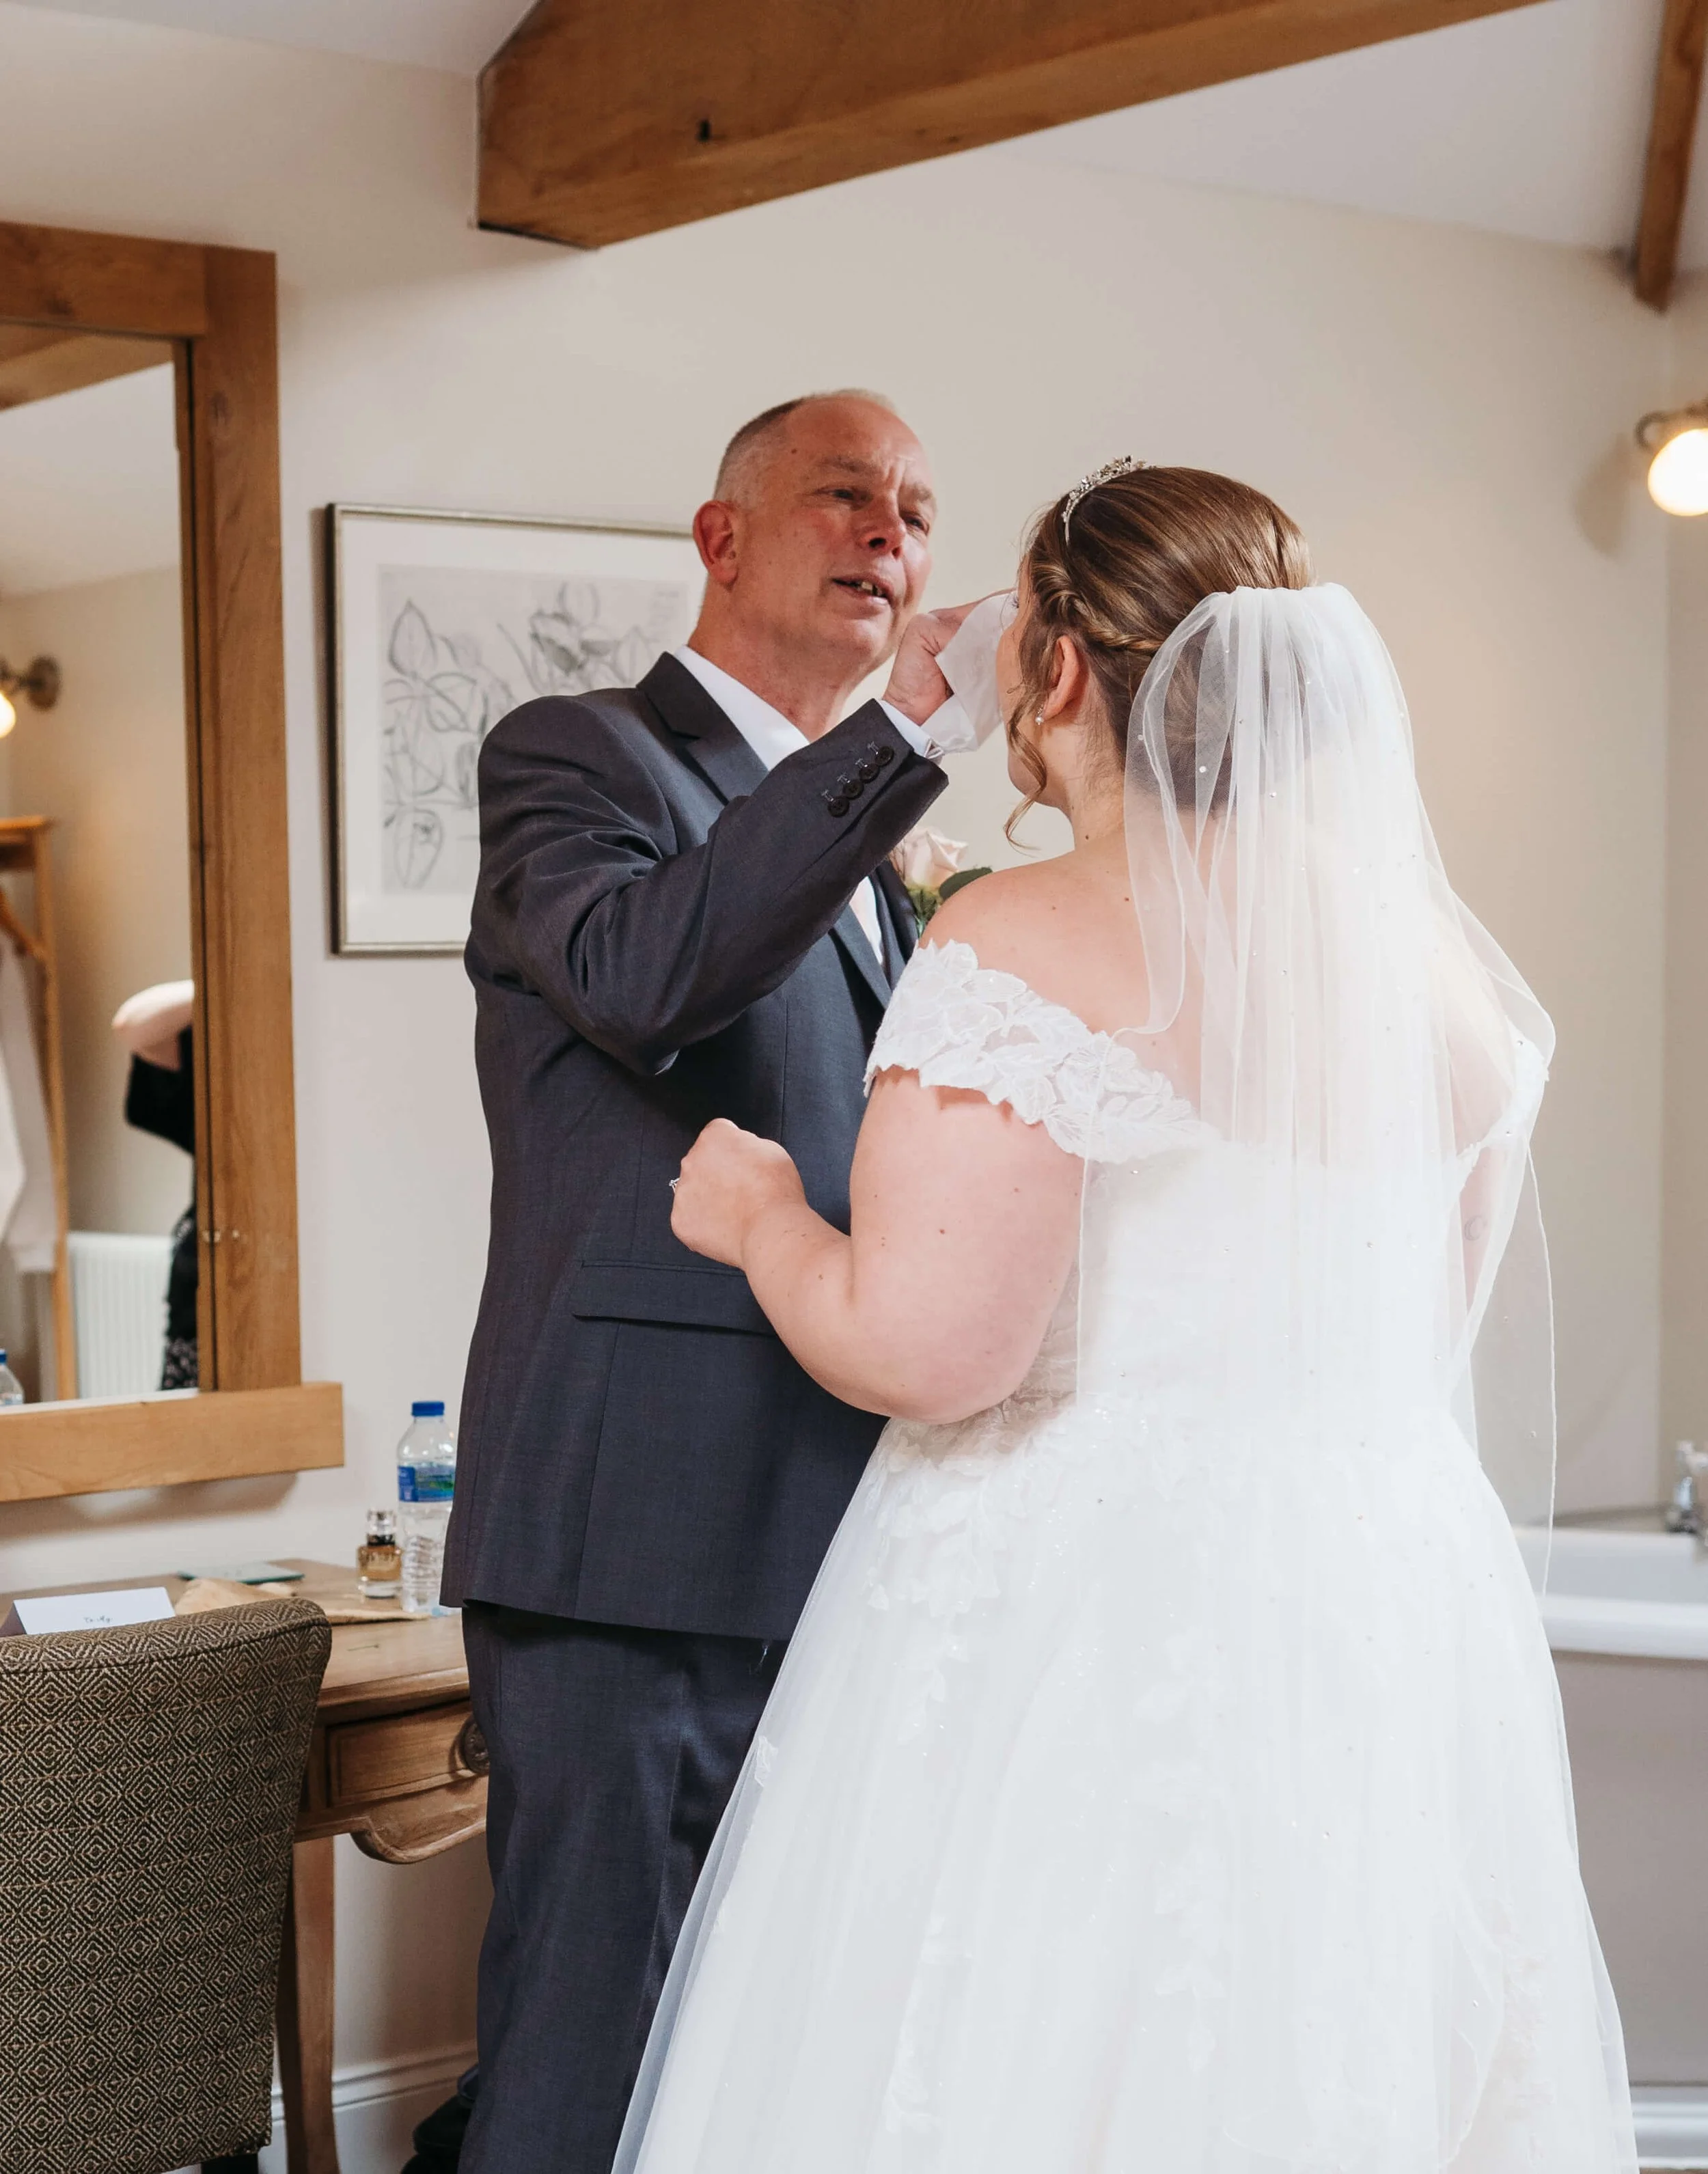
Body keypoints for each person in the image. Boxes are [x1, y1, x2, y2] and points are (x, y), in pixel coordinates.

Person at [623, 465, 1640, 2172]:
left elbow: (931, 1354)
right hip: (1380, 1598)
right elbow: (1412, 1322)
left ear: (1067, 671)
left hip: (1085, 1619)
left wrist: (766, 1220)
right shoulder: (1440, 974)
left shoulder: (1019, 934)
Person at [441, 391, 973, 2174]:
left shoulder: (873, 858)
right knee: (586, 2046)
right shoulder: (575, 757)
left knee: (761, 2047)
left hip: (835, 1528)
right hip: (627, 1537)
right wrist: (896, 734)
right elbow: (648, 974)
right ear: (720, 535)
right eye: (844, 494)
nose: (890, 533)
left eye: (912, 508)